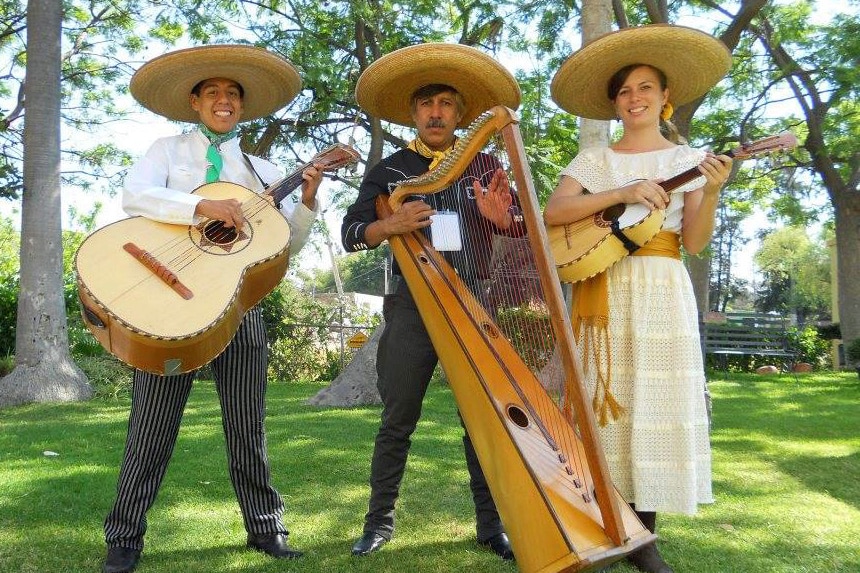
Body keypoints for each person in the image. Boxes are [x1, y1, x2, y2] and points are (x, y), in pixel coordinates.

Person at [101, 45, 322, 573]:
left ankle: (266, 528)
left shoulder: (263, 171)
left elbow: (284, 251)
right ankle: (125, 537)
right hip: (171, 310)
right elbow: (135, 196)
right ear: (195, 102)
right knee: (151, 424)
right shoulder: (167, 150)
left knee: (249, 426)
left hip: (239, 308)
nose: (223, 101)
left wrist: (308, 203)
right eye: (213, 93)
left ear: (243, 107)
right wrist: (201, 205)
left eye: (233, 94)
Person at [545, 25, 734, 573]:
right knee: (608, 403)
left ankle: (643, 538)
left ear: (665, 97)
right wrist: (624, 192)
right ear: (614, 104)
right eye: (625, 91)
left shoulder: (694, 160)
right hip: (604, 288)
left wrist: (713, 190)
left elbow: (694, 242)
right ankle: (605, 524)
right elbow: (554, 214)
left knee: (652, 403)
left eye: (646, 87)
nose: (636, 98)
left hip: (661, 286)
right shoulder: (594, 161)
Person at [341, 43, 524, 560]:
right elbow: (350, 232)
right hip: (411, 309)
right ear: (414, 114)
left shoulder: (485, 165)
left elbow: (520, 225)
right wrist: (389, 224)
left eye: (446, 103)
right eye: (427, 104)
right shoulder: (390, 169)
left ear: (461, 115)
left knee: (481, 421)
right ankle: (377, 524)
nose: (436, 112)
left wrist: (501, 220)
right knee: (398, 418)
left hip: (474, 305)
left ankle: (491, 528)